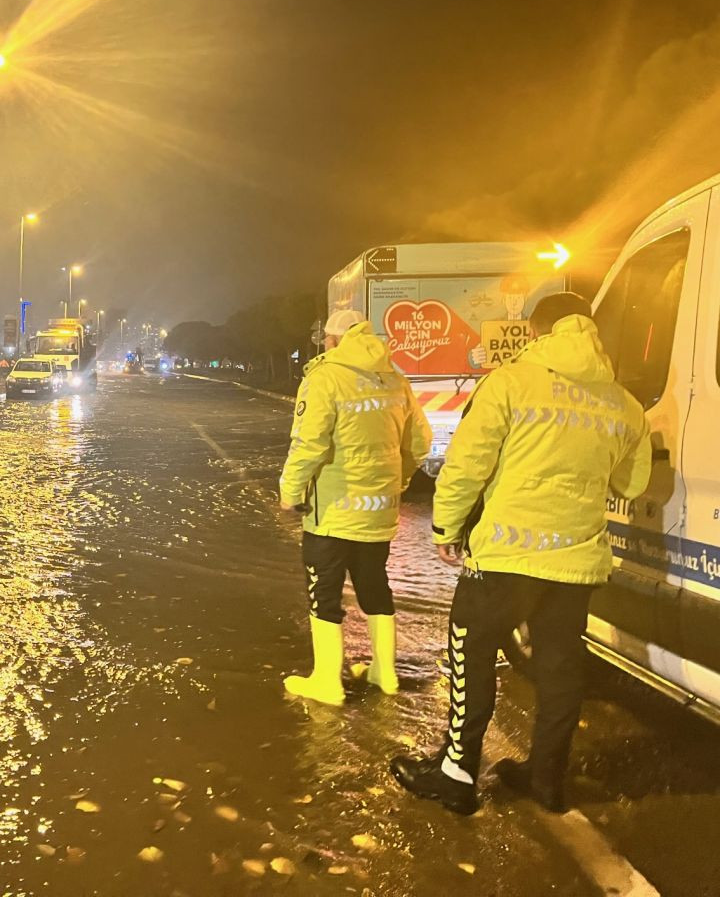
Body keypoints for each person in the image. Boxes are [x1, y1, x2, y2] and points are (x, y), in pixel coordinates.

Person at [390, 293, 652, 816]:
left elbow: (468, 464)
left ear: (537, 333)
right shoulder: (624, 403)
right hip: (575, 562)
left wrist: (446, 525)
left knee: (472, 655)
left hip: (506, 560)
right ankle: (546, 780)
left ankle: (456, 774)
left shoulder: (511, 382)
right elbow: (633, 480)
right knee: (560, 670)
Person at [279, 310, 432, 706]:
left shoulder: (325, 377)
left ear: (332, 340)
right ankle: (386, 672)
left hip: (332, 513)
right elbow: (419, 443)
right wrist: (399, 481)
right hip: (378, 510)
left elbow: (309, 444)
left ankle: (327, 681)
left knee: (324, 592)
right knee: (375, 586)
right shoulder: (395, 379)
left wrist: (289, 491)